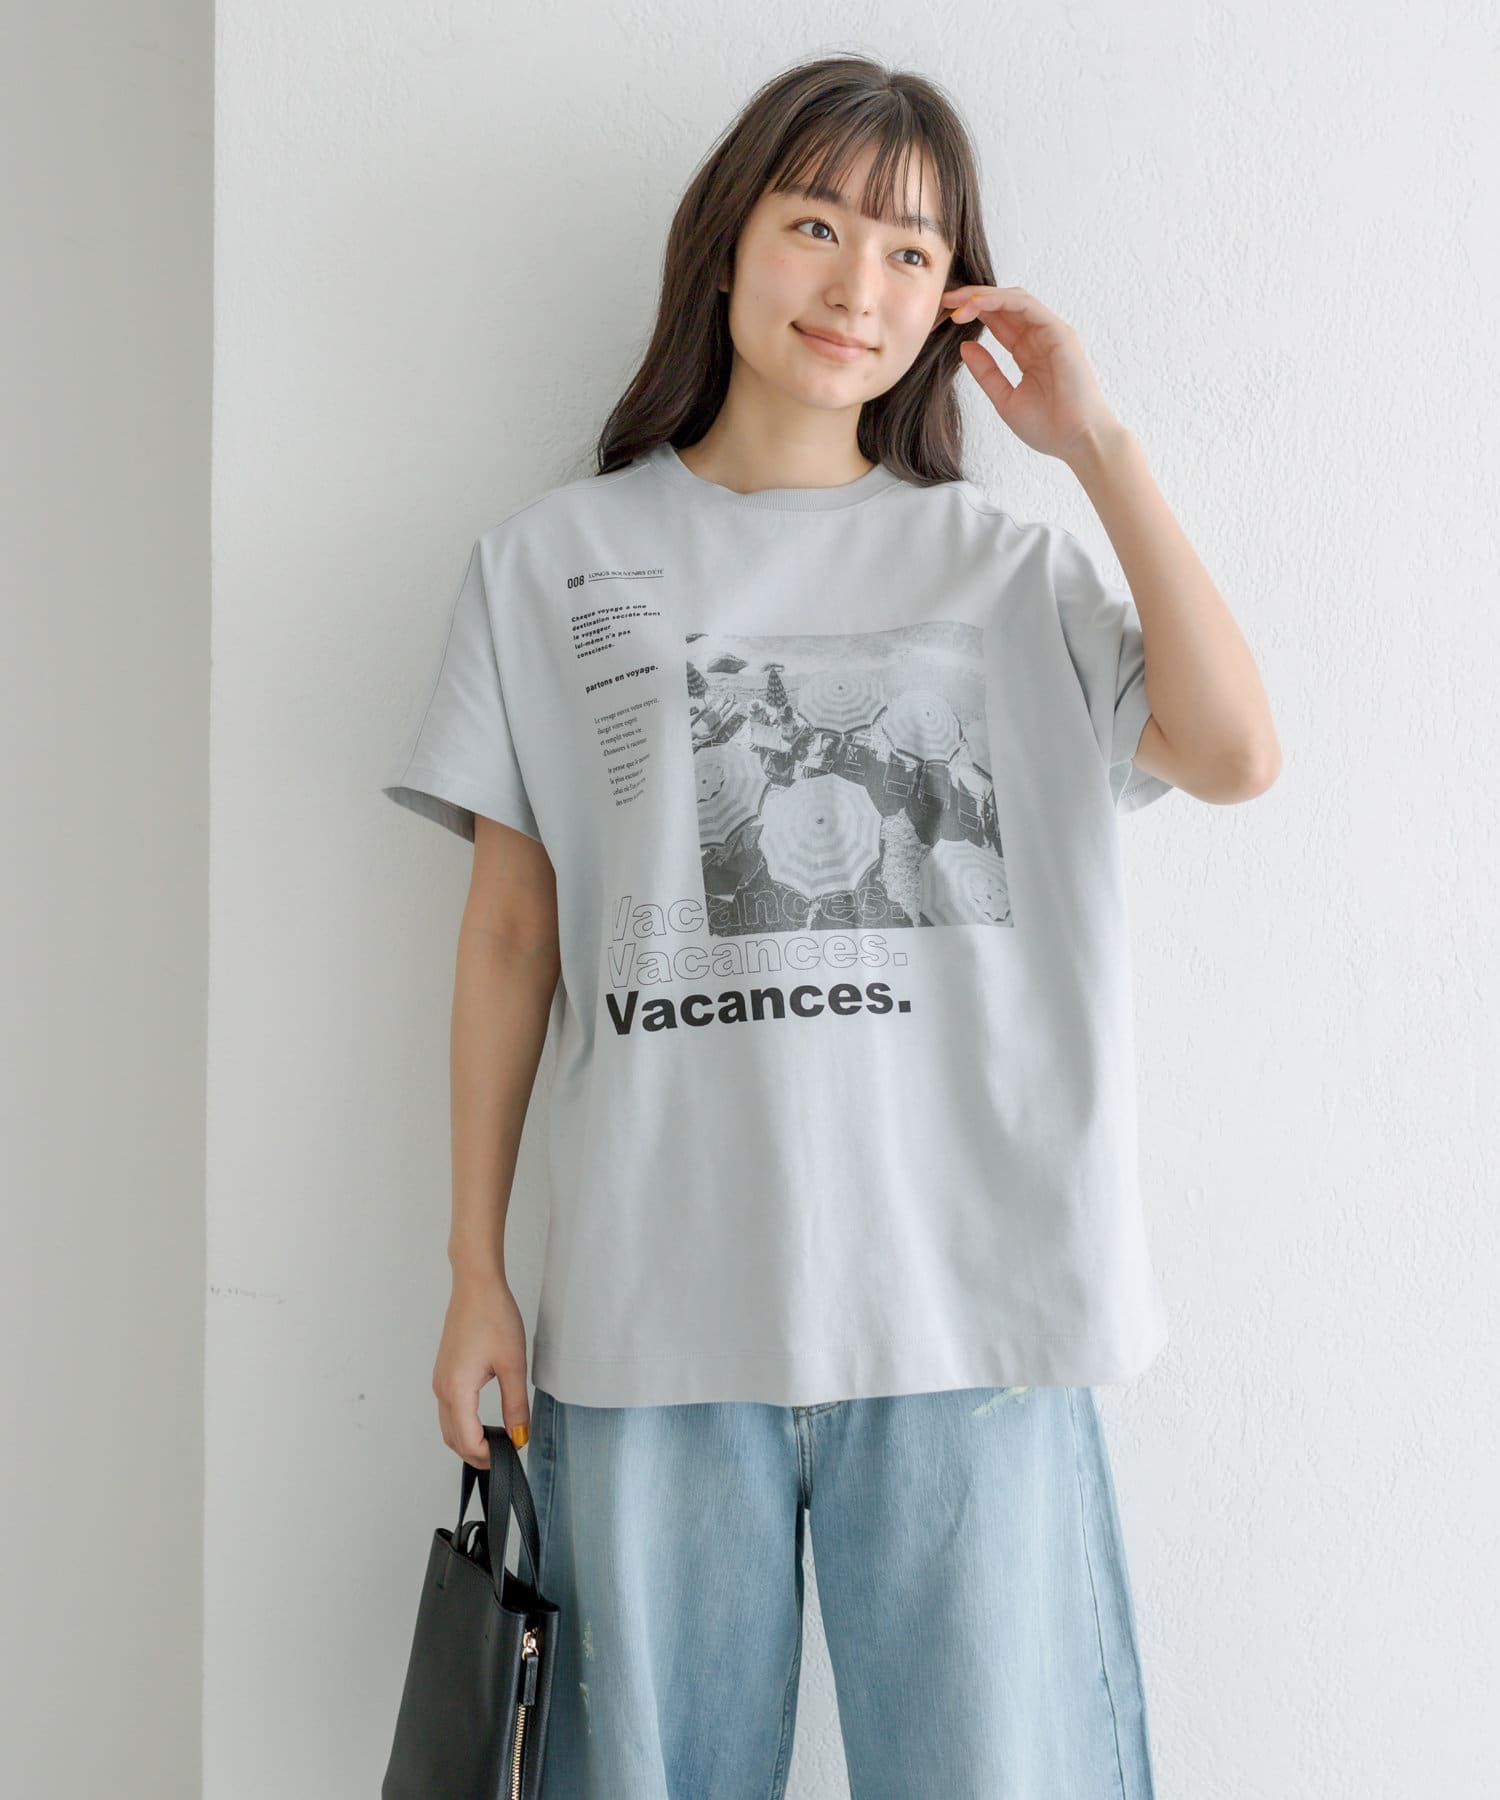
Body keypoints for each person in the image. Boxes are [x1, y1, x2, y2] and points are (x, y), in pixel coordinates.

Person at [380, 53, 1280, 1800]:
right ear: (727, 241)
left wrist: (1096, 444)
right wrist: (474, 1269)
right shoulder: (547, 565)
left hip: (975, 1317)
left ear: (953, 306)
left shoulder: (1007, 572)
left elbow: (1236, 753)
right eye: (815, 226)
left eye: (910, 252)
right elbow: (508, 936)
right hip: (653, 1316)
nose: (857, 283)